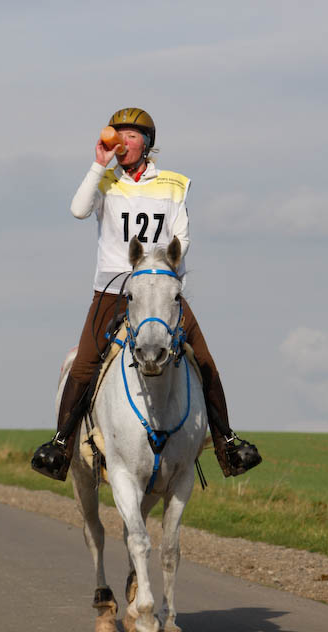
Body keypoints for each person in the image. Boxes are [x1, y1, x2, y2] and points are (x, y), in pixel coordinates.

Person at [32, 107, 255, 482]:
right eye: (117, 134)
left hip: (161, 289)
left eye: (131, 135)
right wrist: (98, 164)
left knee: (204, 361)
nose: (122, 141)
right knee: (84, 364)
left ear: (147, 143)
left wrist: (163, 270)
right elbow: (77, 210)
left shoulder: (173, 184)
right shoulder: (105, 181)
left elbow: (181, 236)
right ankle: (61, 445)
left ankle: (227, 446)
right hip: (112, 290)